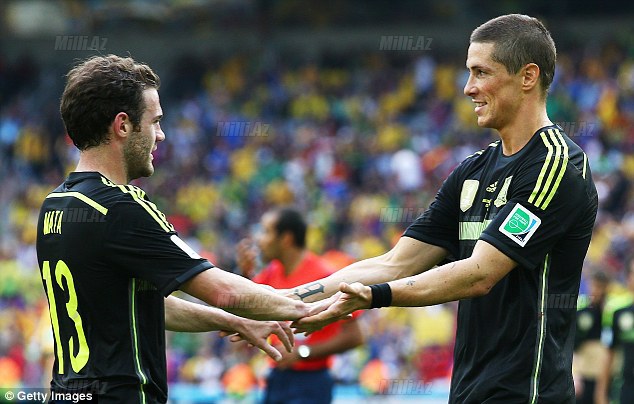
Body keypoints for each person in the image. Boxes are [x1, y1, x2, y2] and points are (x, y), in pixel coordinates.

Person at [291, 14, 598, 403]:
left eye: (481, 72)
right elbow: (394, 263)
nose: (468, 88)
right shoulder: (472, 170)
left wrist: (375, 296)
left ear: (528, 77)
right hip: (468, 390)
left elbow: (479, 274)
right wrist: (287, 300)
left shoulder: (556, 166)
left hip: (527, 393)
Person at [36, 55, 330, 403]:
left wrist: (233, 321)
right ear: (123, 125)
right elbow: (224, 291)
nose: (160, 135)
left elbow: (139, 303)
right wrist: (311, 308)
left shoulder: (55, 205)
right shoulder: (120, 206)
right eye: (155, 122)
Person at [235, 208, 364, 404]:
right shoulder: (272, 273)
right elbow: (246, 306)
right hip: (276, 377)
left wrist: (303, 353)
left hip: (312, 382)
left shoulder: (326, 278)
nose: (260, 240)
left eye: (266, 231)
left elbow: (354, 336)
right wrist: (245, 275)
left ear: (286, 238)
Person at [595, 261, 634, 404]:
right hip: (625, 390)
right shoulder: (617, 312)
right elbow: (608, 354)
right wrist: (600, 394)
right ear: (628, 278)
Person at [573, 271, 610, 403]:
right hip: (586, 370)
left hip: (607, 372)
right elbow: (574, 346)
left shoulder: (611, 311)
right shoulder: (583, 312)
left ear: (606, 287)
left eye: (599, 287)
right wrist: (575, 374)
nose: (595, 290)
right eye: (593, 286)